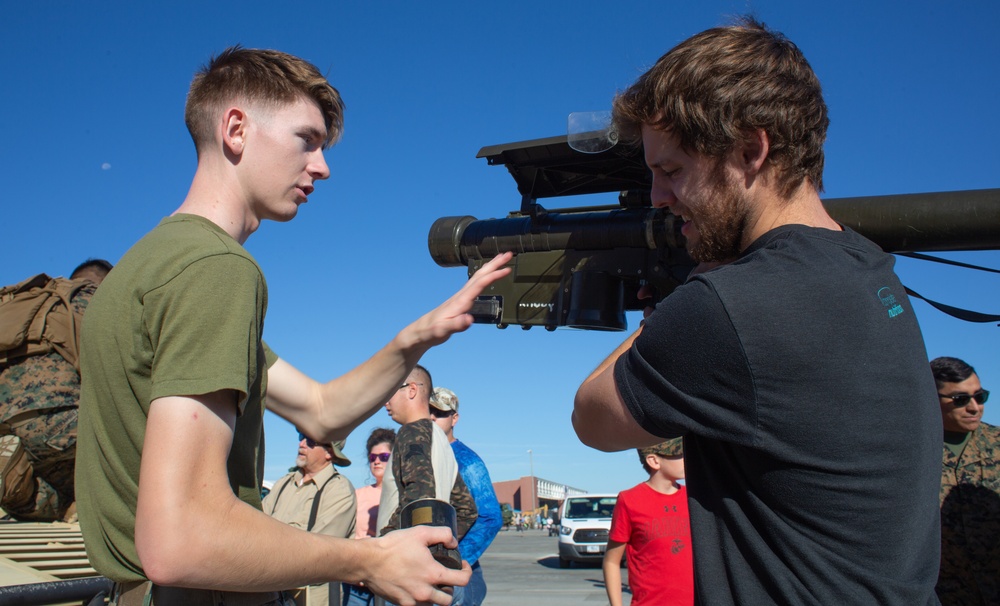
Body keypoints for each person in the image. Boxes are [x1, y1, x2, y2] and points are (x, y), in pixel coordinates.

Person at [74, 46, 512, 606]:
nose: (323, 166)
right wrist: (369, 558)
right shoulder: (217, 270)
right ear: (236, 128)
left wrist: (417, 337)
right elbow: (180, 540)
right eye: (307, 139)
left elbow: (320, 410)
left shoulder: (147, 268)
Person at [572, 17, 941, 605]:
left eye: (671, 171)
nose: (660, 198)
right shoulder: (867, 267)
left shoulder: (729, 306)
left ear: (751, 150)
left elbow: (591, 419)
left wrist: (673, 305)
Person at [0, 258, 112, 522]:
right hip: (62, 428)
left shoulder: (21, 302)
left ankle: (22, 485)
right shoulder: (98, 303)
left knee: (42, 469)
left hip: (8, 425)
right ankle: (80, 505)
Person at [376, 366, 477, 542]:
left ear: (412, 390)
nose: (385, 402)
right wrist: (441, 545)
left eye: (390, 391)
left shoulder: (412, 432)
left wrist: (384, 542)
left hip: (400, 560)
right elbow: (466, 510)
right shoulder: (441, 440)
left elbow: (419, 497)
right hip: (424, 560)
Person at [930, 356, 999, 605]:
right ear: (930, 398)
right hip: (943, 596)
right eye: (960, 399)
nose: (974, 407)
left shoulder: (997, 443)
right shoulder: (912, 455)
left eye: (980, 396)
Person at [263, 433, 356, 606]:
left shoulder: (339, 490)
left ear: (330, 453)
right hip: (272, 595)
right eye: (301, 436)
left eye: (311, 441)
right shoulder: (283, 484)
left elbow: (319, 553)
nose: (302, 444)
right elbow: (257, 528)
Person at [430, 387, 502, 606]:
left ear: (454, 418)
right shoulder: (420, 457)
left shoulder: (468, 462)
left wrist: (457, 560)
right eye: (428, 411)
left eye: (440, 413)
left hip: (457, 577)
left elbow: (490, 518)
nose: (432, 417)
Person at [603, 438, 692, 606]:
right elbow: (611, 561)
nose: (685, 458)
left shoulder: (693, 498)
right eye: (678, 454)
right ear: (654, 461)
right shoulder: (629, 500)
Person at [342, 427, 395, 606]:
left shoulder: (402, 497)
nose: (377, 461)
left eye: (384, 457)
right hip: (356, 586)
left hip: (389, 585)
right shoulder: (356, 495)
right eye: (372, 458)